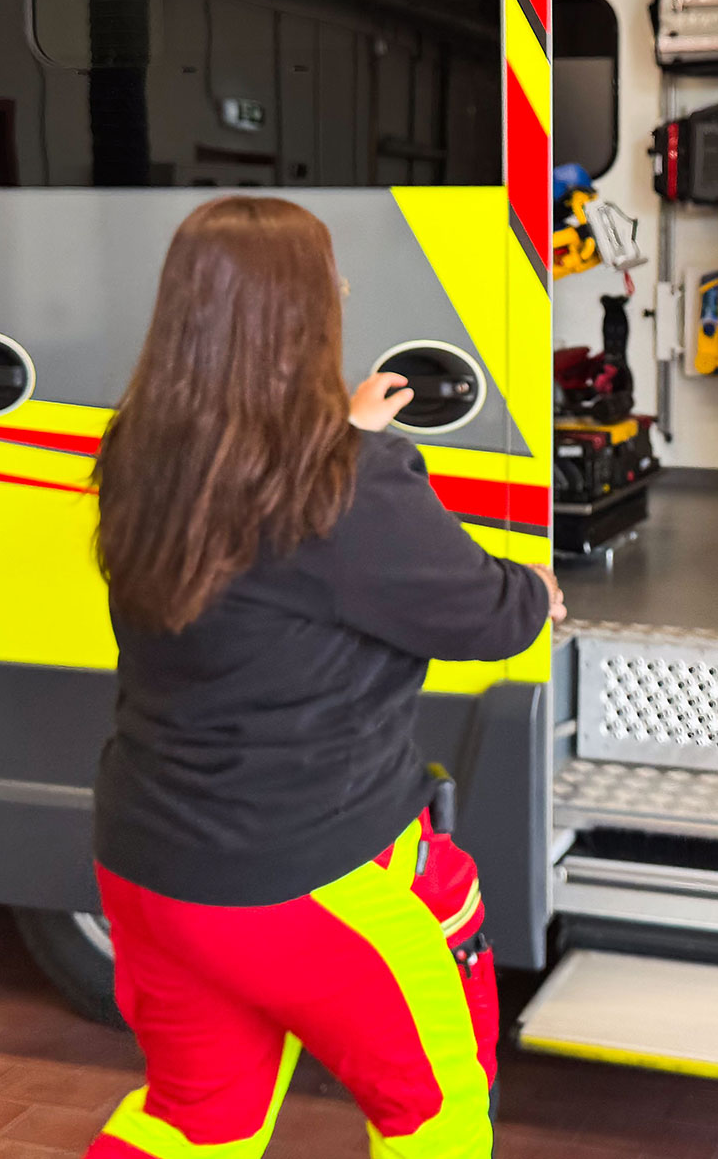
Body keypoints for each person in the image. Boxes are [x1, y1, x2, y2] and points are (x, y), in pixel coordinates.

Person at [84, 195, 561, 1159]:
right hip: (302, 879)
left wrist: (340, 432)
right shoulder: (347, 484)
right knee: (437, 1115)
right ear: (300, 315)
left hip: (149, 863)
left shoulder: (140, 447)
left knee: (195, 1120)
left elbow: (261, 532)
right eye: (328, 279)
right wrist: (537, 591)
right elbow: (483, 615)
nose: (342, 290)